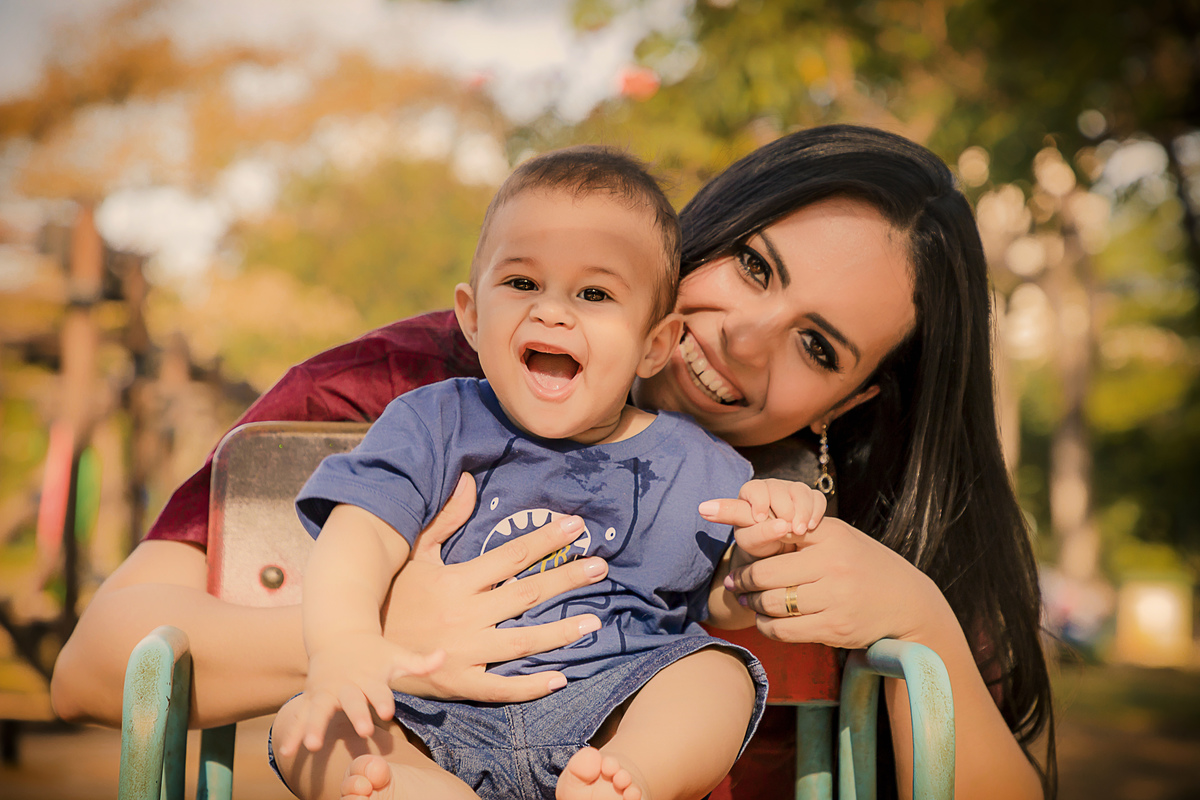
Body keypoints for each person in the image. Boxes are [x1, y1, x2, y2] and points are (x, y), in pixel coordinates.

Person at [50, 124, 1055, 800]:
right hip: (420, 737)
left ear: (854, 399)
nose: (746, 338)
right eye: (752, 264)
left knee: (713, 677)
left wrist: (918, 617)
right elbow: (99, 667)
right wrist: (377, 636)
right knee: (327, 740)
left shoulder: (822, 501)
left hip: (619, 746)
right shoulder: (420, 389)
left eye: (817, 346)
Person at [268, 146, 819, 800]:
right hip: (429, 708)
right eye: (523, 284)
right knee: (304, 726)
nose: (554, 311)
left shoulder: (695, 463)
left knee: (717, 675)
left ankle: (629, 782)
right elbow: (359, 537)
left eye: (595, 293)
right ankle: (413, 788)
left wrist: (763, 546)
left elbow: (720, 602)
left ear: (654, 344)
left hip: (609, 707)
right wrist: (346, 644)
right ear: (472, 315)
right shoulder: (435, 423)